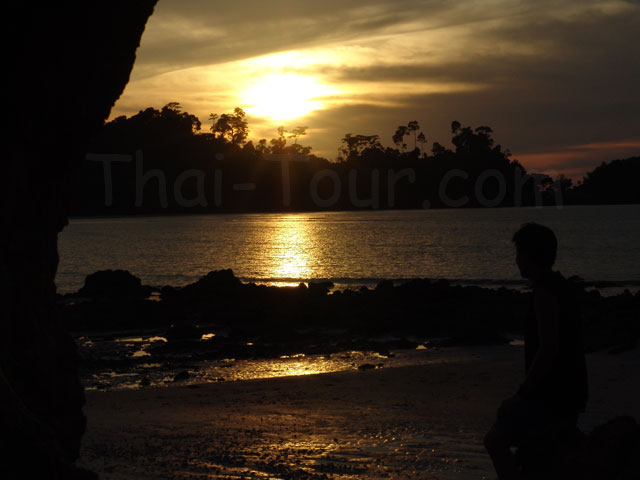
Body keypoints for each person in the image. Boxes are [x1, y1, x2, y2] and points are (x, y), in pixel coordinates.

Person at [484, 223, 589, 479]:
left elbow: (548, 348)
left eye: (519, 253)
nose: (516, 260)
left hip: (553, 396)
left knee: (495, 440)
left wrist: (521, 395)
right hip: (569, 392)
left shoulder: (545, 292)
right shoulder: (561, 286)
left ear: (528, 256)